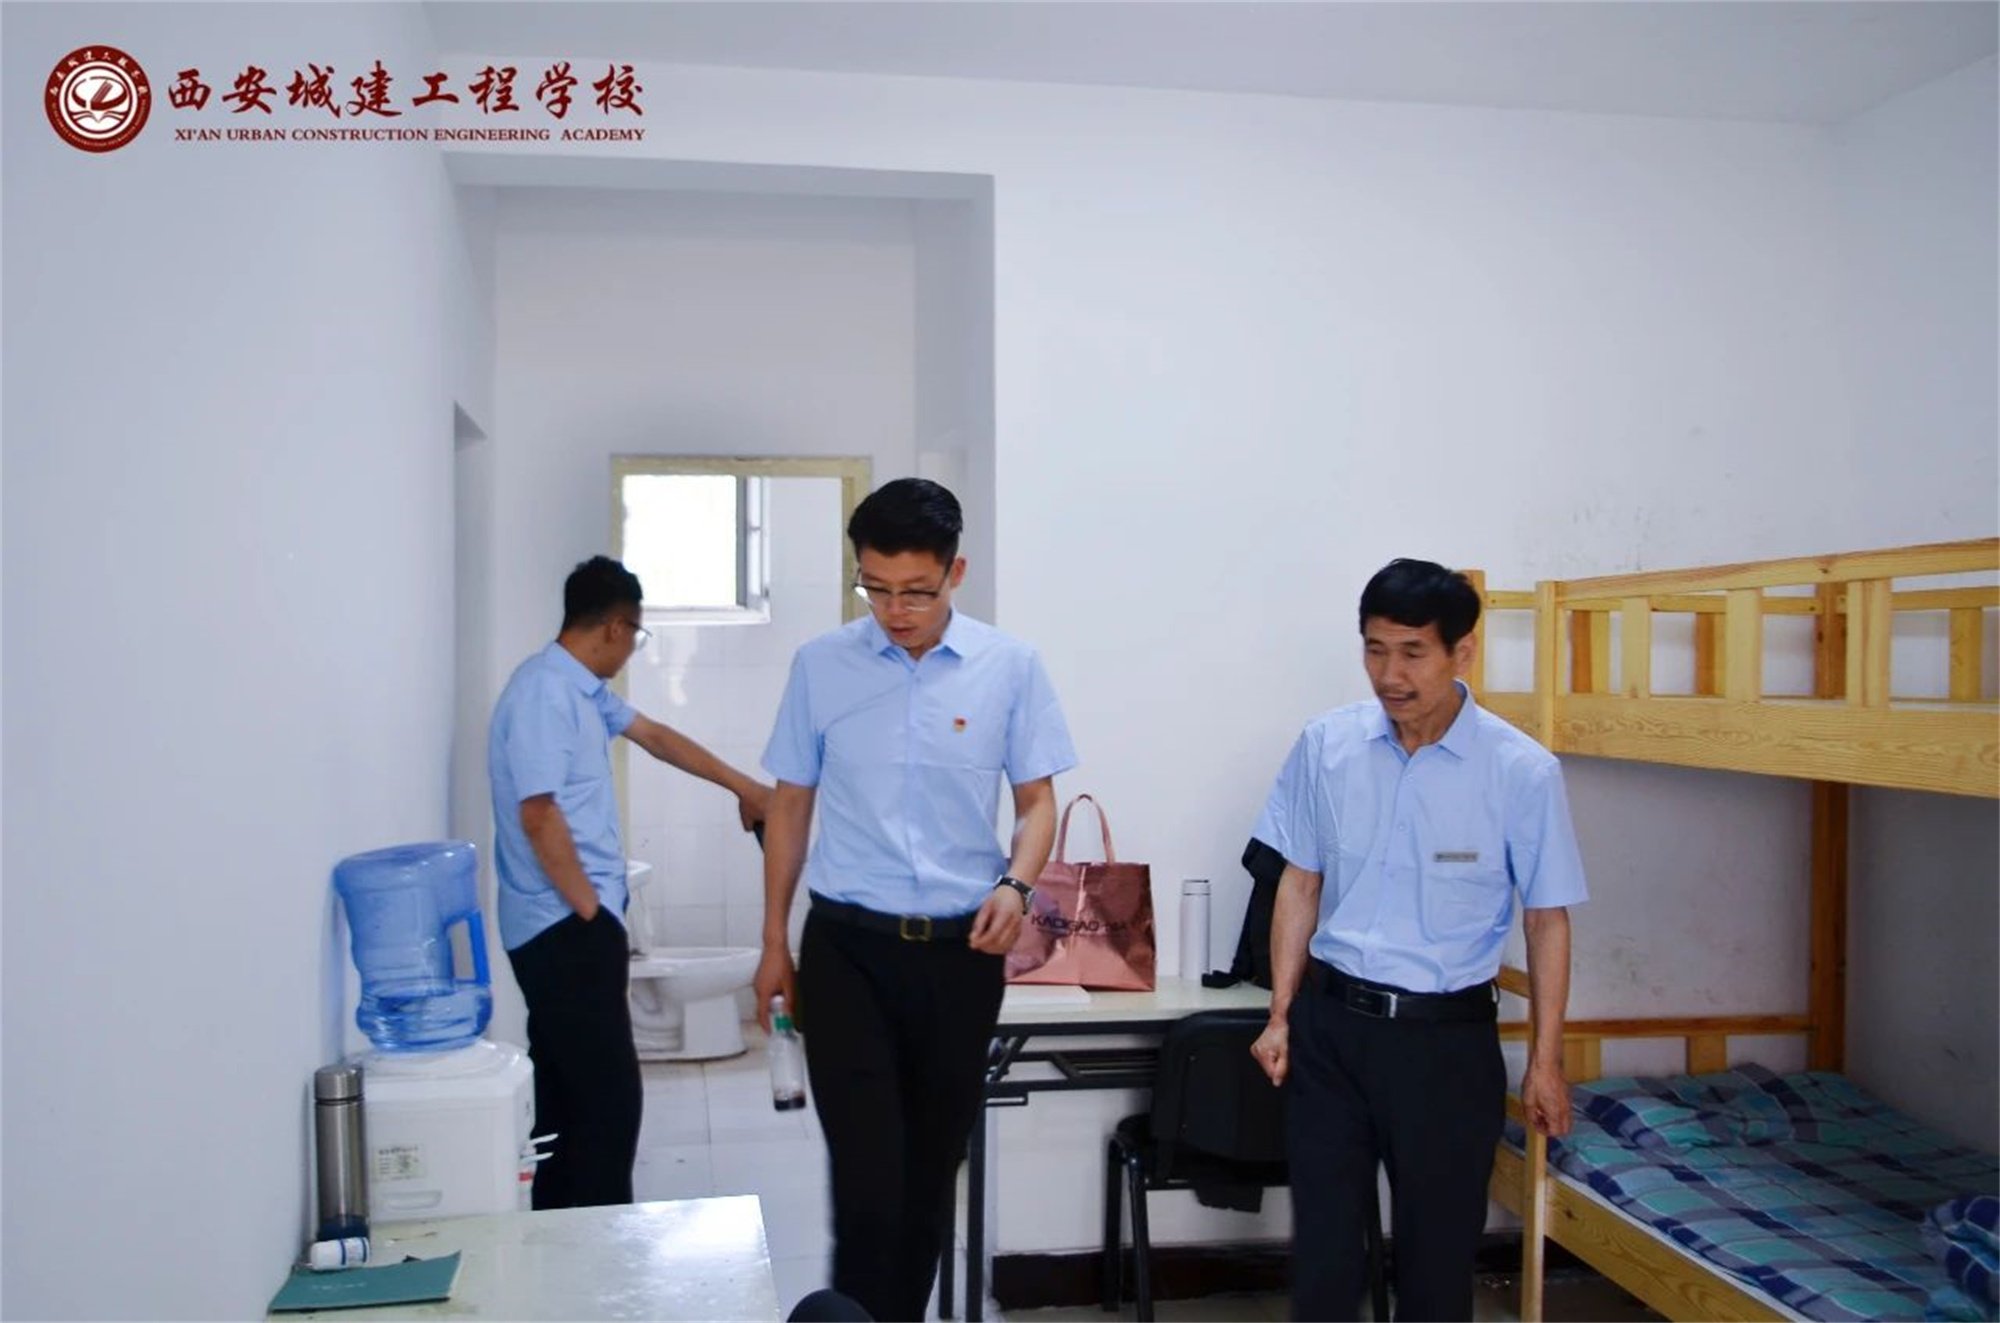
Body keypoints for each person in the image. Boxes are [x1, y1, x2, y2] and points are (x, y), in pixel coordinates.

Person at [756, 478, 1077, 1322]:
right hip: (847, 951)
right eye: (876, 588)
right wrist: (774, 940)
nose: (895, 610)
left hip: (959, 957)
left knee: (930, 1175)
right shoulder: (821, 665)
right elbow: (790, 804)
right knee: (867, 1182)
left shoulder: (1010, 667)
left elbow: (1037, 802)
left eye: (916, 591)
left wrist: (1017, 884)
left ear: (955, 572)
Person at [1250, 558, 1587, 1321]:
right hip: (1331, 1033)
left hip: (1445, 1045)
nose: (1389, 674)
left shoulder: (1521, 772)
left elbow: (1547, 919)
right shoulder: (1326, 745)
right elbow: (1300, 882)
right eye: (1375, 650)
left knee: (1436, 1271)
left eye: (1411, 652)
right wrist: (1280, 1014)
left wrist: (1546, 1062)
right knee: (1324, 1263)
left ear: (1462, 651)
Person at [489, 554, 771, 1209]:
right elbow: (538, 814)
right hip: (561, 926)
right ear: (615, 627)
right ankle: (600, 1241)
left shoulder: (580, 689)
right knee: (608, 1105)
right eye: (636, 634)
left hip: (569, 925)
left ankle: (561, 1236)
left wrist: (746, 786)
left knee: (569, 1098)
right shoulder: (543, 694)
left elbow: (657, 736)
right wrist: (589, 911)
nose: (631, 648)